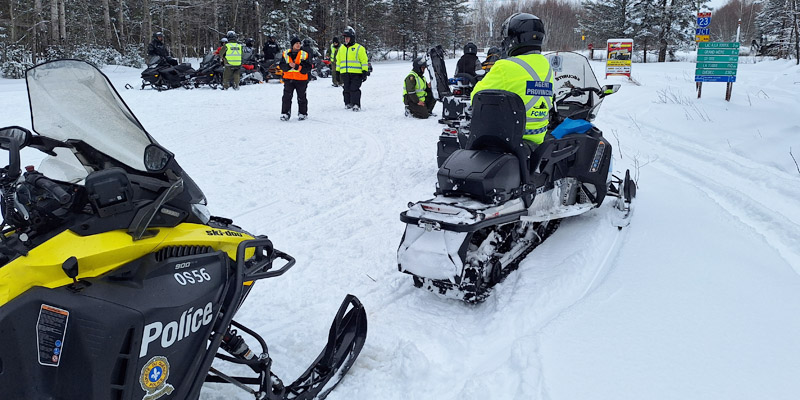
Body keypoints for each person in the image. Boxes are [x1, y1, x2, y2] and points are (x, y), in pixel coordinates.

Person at [471, 13, 554, 146]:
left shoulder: (505, 66)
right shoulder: (546, 65)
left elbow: (476, 97)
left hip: (510, 139)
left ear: (513, 39)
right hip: (538, 139)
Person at [337, 26, 369, 111]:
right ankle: (348, 103)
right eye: (345, 38)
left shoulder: (359, 48)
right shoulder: (341, 48)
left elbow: (364, 60)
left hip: (357, 73)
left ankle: (356, 104)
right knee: (346, 89)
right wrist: (337, 72)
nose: (346, 40)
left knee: (354, 89)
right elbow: (338, 61)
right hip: (345, 73)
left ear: (352, 38)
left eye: (348, 38)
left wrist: (364, 71)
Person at [279, 37, 312, 121]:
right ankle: (285, 113)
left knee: (302, 97)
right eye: (296, 43)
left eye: (299, 43)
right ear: (292, 45)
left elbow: (308, 67)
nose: (298, 45)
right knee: (286, 97)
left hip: (301, 79)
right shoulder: (285, 54)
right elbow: (281, 66)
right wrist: (288, 66)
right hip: (288, 79)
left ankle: (302, 113)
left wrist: (297, 67)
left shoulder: (304, 54)